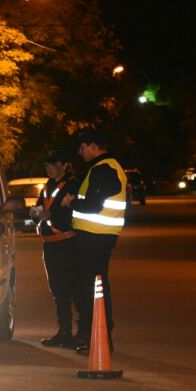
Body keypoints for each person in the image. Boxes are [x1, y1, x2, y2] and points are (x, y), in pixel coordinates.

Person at [60, 127, 128, 353]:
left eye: (82, 147)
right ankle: (98, 337)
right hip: (98, 236)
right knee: (94, 286)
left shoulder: (104, 169)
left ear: (92, 146)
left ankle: (99, 338)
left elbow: (93, 205)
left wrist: (71, 202)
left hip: (95, 237)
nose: (80, 152)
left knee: (93, 288)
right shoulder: (107, 168)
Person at [34, 148, 81, 348]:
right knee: (57, 289)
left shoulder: (73, 184)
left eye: (54, 165)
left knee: (73, 288)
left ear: (64, 165)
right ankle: (64, 331)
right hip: (50, 244)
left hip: (67, 243)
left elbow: (72, 212)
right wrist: (35, 213)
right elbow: (41, 207)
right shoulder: (47, 186)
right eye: (47, 165)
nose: (50, 168)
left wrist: (50, 216)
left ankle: (82, 332)